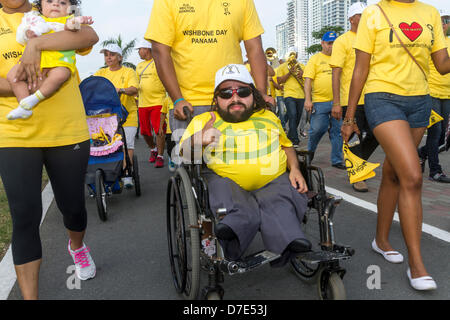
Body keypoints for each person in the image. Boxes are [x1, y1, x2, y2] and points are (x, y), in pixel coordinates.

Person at [342, 0, 450, 291]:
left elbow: (442, 66)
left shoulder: (429, 13)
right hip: (382, 99)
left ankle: (381, 239)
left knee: (394, 173)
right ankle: (417, 266)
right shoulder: (374, 13)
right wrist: (349, 117)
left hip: (420, 102)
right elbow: (360, 68)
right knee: (413, 177)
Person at [0, 0, 98, 299]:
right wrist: (29, 84)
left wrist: (36, 45)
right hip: (14, 132)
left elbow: (88, 37)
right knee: (25, 216)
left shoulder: (53, 11)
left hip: (66, 130)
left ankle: (77, 245)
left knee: (73, 208)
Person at [179, 64, 311, 265]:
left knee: (281, 198)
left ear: (253, 95)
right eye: (226, 93)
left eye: (242, 91)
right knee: (231, 201)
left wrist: (294, 168)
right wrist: (199, 139)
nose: (235, 98)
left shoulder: (268, 117)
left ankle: (288, 242)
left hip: (273, 180)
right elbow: (183, 155)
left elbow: (286, 146)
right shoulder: (205, 120)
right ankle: (231, 235)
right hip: (227, 181)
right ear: (216, 99)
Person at [145, 0, 274, 145]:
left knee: (239, 161)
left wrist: (261, 92)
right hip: (189, 105)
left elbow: (254, 48)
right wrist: (178, 99)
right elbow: (160, 51)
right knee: (191, 160)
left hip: (234, 98)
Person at [6, 0, 93, 120]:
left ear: (70, 8)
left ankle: (35, 98)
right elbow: (22, 36)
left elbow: (76, 28)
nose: (56, 4)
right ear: (40, 5)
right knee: (12, 76)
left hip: (59, 62)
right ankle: (24, 105)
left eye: (63, 3)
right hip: (37, 64)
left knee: (60, 75)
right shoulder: (35, 19)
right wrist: (29, 34)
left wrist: (78, 20)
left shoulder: (67, 20)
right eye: (50, 1)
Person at [330, 2, 379, 192]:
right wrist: (336, 102)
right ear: (351, 19)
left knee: (378, 134)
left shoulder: (373, 39)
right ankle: (357, 175)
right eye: (361, 14)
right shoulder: (342, 41)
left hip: (373, 96)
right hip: (350, 99)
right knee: (353, 136)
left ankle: (357, 161)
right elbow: (336, 73)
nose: (366, 17)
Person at [94, 43, 138, 187]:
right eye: (106, 55)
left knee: (127, 144)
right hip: (107, 117)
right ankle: (109, 173)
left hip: (128, 115)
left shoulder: (129, 71)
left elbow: (134, 89)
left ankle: (126, 173)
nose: (108, 57)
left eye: (111, 55)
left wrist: (121, 90)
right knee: (106, 146)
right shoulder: (101, 73)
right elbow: (94, 86)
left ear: (119, 57)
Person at [304, 31, 345, 169]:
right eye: (329, 43)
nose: (331, 46)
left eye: (334, 43)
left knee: (337, 132)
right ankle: (309, 153)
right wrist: (308, 100)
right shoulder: (315, 59)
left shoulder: (340, 58)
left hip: (337, 102)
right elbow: (308, 81)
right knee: (317, 129)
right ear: (322, 43)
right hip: (320, 102)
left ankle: (337, 160)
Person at [418, 9, 450, 183]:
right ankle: (435, 171)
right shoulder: (429, 41)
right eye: (441, 20)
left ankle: (421, 153)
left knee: (443, 139)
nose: (444, 24)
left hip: (447, 94)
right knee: (435, 131)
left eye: (447, 20)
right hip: (431, 92)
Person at [135, 39, 166, 168]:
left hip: (158, 101)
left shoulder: (159, 62)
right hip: (142, 103)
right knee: (144, 132)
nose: (138, 52)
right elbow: (137, 84)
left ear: (146, 49)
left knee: (159, 130)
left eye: (140, 50)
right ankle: (152, 149)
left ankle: (160, 155)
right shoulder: (139, 66)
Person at [276, 48, 305, 146]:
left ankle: (291, 136)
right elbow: (279, 80)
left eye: (294, 54)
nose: (293, 56)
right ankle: (295, 140)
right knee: (292, 115)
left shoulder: (302, 66)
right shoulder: (283, 67)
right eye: (291, 54)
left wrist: (303, 75)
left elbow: (307, 81)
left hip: (301, 95)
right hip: (289, 95)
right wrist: (289, 73)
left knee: (297, 117)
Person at [159, 94, 176, 172]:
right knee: (170, 148)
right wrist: (161, 127)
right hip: (170, 129)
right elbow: (163, 113)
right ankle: (171, 159)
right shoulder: (167, 100)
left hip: (180, 128)